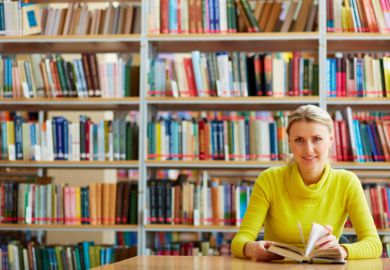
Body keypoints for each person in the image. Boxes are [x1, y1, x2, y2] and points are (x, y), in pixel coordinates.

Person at [231, 104, 382, 261]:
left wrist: (343, 251)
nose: (308, 149)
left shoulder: (347, 182)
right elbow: (239, 240)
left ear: (330, 140)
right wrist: (250, 248)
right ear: (289, 142)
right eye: (299, 140)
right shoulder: (269, 179)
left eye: (316, 139)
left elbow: (374, 244)